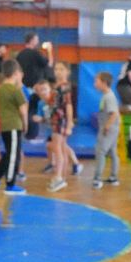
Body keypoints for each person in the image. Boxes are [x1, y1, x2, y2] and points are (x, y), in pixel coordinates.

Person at [0, 59, 27, 194]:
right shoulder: (14, 90)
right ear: (16, 73)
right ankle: (10, 184)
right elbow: (23, 111)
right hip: (14, 125)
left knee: (10, 153)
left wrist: (3, 120)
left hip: (5, 126)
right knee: (13, 156)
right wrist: (25, 125)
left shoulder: (0, 89)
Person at [47, 61, 75, 193]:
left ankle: (58, 176)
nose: (58, 71)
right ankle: (62, 177)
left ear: (67, 72)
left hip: (60, 120)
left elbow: (68, 106)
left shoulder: (64, 87)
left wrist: (69, 123)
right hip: (55, 119)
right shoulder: (57, 86)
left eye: (61, 69)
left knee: (57, 148)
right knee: (62, 148)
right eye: (56, 69)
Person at [92, 71, 120, 189]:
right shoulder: (106, 96)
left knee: (100, 151)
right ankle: (113, 177)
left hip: (109, 129)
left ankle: (97, 179)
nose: (94, 84)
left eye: (96, 81)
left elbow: (114, 114)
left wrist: (106, 127)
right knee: (113, 152)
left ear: (104, 83)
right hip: (112, 128)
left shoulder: (108, 97)